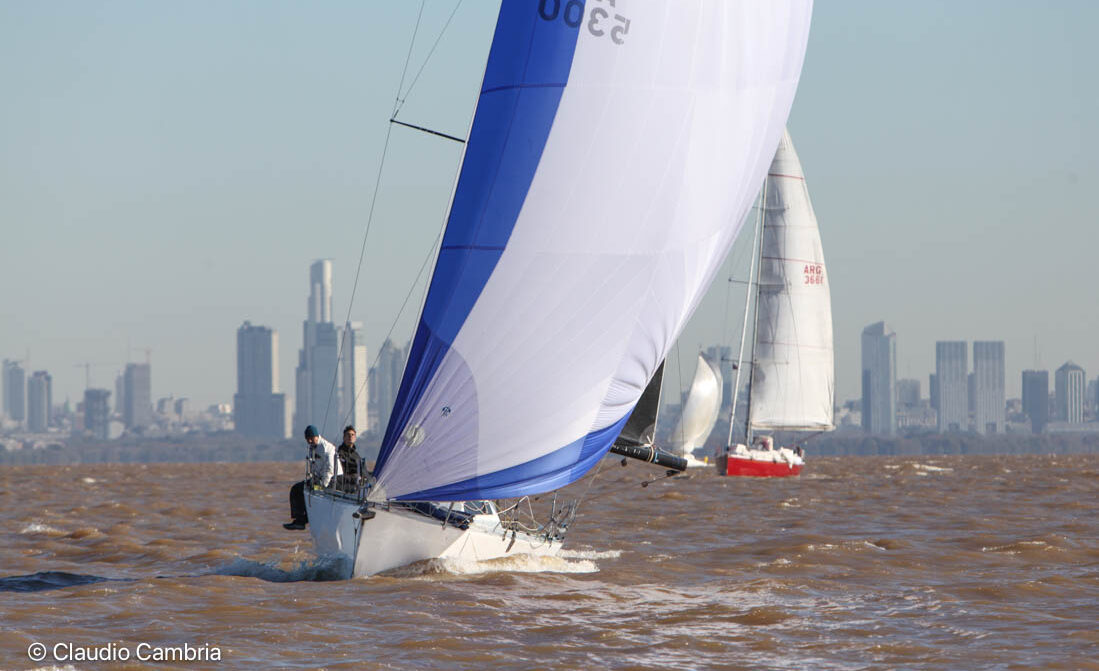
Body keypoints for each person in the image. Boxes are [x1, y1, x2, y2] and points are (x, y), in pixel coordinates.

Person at [283, 425, 341, 530]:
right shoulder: (312, 447)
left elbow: (330, 470)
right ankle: (300, 520)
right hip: (318, 479)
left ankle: (305, 518)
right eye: (307, 439)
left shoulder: (327, 448)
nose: (309, 441)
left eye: (311, 438)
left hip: (332, 481)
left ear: (317, 436)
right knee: (296, 489)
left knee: (312, 489)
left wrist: (323, 486)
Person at [334, 425, 364, 493]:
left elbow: (362, 471)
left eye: (352, 435)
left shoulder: (357, 456)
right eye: (348, 435)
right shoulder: (340, 453)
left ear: (355, 438)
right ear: (344, 438)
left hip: (357, 484)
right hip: (344, 485)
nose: (350, 436)